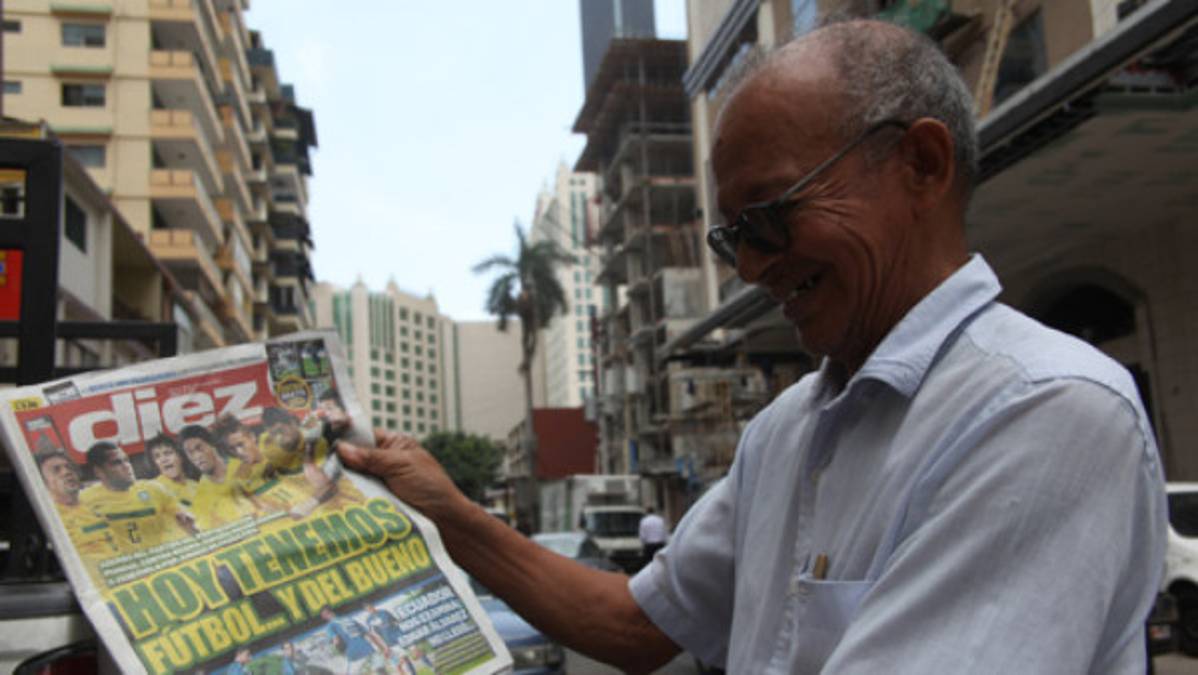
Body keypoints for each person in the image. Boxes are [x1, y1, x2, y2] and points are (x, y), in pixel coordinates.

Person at [337, 18, 1167, 674]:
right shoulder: (787, 431)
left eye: (771, 216)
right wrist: (445, 511)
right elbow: (633, 623)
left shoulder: (1044, 410)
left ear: (920, 163)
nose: (754, 268)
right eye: (732, 239)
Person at [80, 441, 196, 554]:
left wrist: (189, 524)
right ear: (99, 471)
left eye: (126, 460)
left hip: (160, 556)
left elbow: (186, 521)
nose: (127, 466)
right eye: (117, 463)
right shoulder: (84, 499)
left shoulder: (154, 489)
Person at [35, 450, 115, 557]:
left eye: (69, 467)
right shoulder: (50, 518)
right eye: (56, 470)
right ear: (43, 482)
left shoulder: (97, 502)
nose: (66, 472)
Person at [180, 425, 257, 530]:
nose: (197, 456)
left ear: (212, 445)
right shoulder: (201, 496)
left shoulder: (243, 467)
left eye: (199, 448)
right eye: (190, 453)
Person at [144, 433, 195, 507]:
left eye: (167, 453)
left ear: (181, 457)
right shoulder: (153, 488)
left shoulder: (195, 486)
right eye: (157, 456)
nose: (163, 459)